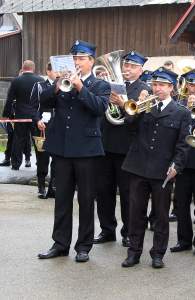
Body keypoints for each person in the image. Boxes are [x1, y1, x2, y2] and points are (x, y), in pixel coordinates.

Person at [37, 40, 110, 263]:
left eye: (81, 58)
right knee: (62, 199)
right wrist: (58, 85)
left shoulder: (100, 85)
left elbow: (99, 108)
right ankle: (60, 244)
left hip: (87, 150)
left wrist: (80, 86)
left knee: (86, 200)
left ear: (90, 61)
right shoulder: (60, 82)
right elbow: (43, 101)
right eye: (75, 58)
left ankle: (84, 246)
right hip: (62, 149)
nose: (77, 62)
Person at [121, 67, 191, 269]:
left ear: (171, 87)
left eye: (161, 85)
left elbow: (183, 143)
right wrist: (138, 106)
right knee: (136, 213)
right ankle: (133, 252)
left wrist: (177, 165)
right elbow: (128, 124)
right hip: (138, 166)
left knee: (161, 215)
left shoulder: (181, 112)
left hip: (163, 170)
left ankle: (158, 253)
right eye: (154, 84)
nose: (157, 88)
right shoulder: (144, 107)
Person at [94, 51, 150, 247]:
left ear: (141, 70)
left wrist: (122, 103)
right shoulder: (107, 84)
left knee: (128, 194)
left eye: (132, 66)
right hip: (106, 144)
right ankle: (107, 230)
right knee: (103, 191)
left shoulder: (144, 90)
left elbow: (136, 117)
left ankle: (128, 232)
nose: (127, 69)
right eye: (125, 65)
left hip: (128, 147)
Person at [170, 69, 195, 256]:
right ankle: (183, 240)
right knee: (181, 203)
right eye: (192, 85)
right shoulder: (180, 104)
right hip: (183, 160)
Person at [3, 60, 44, 170]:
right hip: (35, 115)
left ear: (23, 67)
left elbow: (10, 99)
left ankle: (16, 164)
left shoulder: (16, 81)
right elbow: (43, 99)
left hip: (20, 114)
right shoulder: (40, 80)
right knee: (37, 140)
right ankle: (40, 163)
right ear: (33, 68)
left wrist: (6, 114)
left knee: (18, 139)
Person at [29, 62, 57, 199]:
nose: (58, 73)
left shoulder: (64, 85)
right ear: (48, 71)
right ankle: (41, 186)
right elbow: (32, 107)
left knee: (57, 161)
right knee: (43, 160)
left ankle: (53, 188)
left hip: (58, 128)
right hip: (43, 128)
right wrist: (37, 119)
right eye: (55, 71)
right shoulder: (39, 86)